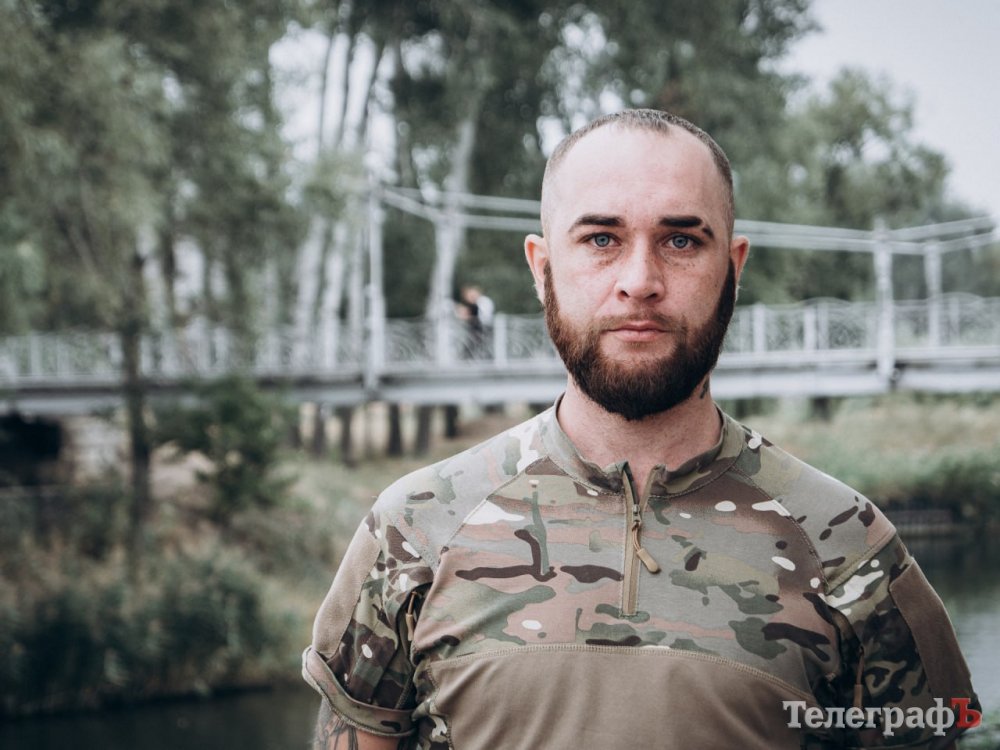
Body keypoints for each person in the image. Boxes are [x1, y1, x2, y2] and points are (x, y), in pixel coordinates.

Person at [303, 109, 979, 749]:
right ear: (541, 268)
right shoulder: (414, 528)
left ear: (733, 269)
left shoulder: (849, 545)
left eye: (681, 240)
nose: (640, 281)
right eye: (601, 239)